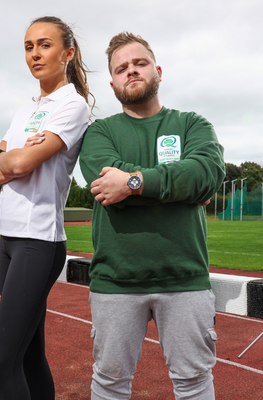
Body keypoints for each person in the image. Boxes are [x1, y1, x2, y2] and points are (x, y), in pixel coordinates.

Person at [79, 32, 225, 400]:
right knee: (110, 383)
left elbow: (205, 174)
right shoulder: (99, 132)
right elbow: (103, 184)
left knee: (194, 382)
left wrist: (130, 183)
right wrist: (177, 189)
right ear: (112, 83)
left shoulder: (193, 124)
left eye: (139, 63)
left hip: (185, 278)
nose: (131, 71)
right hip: (115, 280)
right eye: (121, 68)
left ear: (157, 70)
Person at [0, 16, 92, 400]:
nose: (35, 54)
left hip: (37, 239)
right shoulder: (24, 110)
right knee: (28, 356)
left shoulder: (72, 106)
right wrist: (7, 155)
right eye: (29, 47)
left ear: (68, 53)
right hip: (8, 239)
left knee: (1, 361)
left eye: (44, 45)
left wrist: (8, 156)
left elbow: (20, 165)